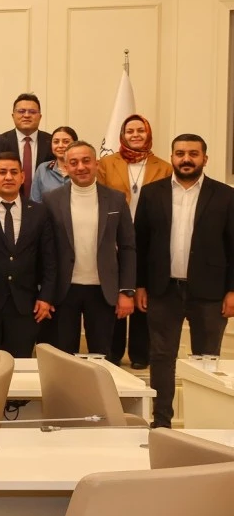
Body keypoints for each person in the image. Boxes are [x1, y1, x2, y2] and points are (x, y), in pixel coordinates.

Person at [134, 134, 234, 428]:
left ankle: (205, 425)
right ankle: (161, 422)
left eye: (193, 153)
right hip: (163, 289)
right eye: (180, 153)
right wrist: (140, 285)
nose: (186, 159)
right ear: (172, 157)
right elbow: (140, 243)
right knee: (161, 357)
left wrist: (232, 290)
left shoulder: (226, 196)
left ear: (205, 158)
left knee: (207, 360)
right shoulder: (151, 194)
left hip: (211, 292)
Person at [45, 141, 136, 356]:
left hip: (103, 290)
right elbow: (46, 250)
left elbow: (127, 247)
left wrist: (126, 291)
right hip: (64, 290)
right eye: (74, 162)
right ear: (66, 167)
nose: (81, 167)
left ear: (96, 164)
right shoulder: (51, 200)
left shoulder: (116, 199)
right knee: (63, 356)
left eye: (86, 161)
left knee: (101, 355)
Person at [98, 114, 171, 369]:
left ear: (148, 133)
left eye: (141, 130)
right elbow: (101, 198)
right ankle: (113, 351)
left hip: (150, 237)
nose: (136, 135)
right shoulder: (106, 164)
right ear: (122, 135)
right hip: (115, 236)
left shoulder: (164, 167)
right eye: (130, 131)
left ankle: (140, 353)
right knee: (115, 292)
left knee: (143, 293)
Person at [0, 153, 57, 358]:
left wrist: (46, 297)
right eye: (2, 172)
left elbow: (49, 260)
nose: (8, 177)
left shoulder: (39, 212)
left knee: (20, 366)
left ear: (22, 177)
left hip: (25, 306)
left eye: (13, 172)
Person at [0, 94, 52, 201]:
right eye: (21, 111)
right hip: (8, 202)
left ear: (40, 116)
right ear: (13, 115)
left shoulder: (51, 142)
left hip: (44, 204)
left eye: (32, 112)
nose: (26, 115)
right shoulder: (0, 142)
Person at [30, 126, 78, 202]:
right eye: (56, 142)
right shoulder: (42, 169)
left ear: (75, 144)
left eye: (66, 142)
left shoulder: (82, 169)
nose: (60, 145)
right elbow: (35, 201)